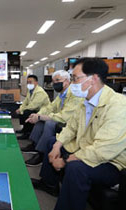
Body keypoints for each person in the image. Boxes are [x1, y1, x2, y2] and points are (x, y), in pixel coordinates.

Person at [31, 57, 126, 210]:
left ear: (93, 78)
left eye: (75, 79)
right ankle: (49, 184)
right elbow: (71, 128)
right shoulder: (86, 101)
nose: (72, 83)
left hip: (111, 162)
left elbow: (102, 150)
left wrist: (65, 161)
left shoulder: (118, 106)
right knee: (50, 142)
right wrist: (57, 145)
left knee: (76, 168)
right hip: (85, 148)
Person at [22, 70, 83, 166]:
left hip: (70, 123)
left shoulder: (75, 94)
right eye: (53, 81)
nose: (55, 84)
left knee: (49, 123)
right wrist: (38, 115)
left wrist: (40, 116)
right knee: (41, 120)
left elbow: (64, 117)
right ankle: (35, 146)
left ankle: (42, 154)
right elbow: (50, 107)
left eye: (58, 80)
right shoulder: (61, 95)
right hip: (62, 119)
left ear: (67, 81)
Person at [15, 75, 50, 140]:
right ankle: (24, 129)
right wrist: (20, 108)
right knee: (23, 111)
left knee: (26, 112)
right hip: (35, 109)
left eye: (30, 82)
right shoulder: (30, 90)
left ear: (36, 82)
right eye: (27, 82)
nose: (29, 84)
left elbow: (33, 105)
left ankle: (27, 133)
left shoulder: (40, 92)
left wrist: (22, 110)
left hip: (42, 111)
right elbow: (25, 101)